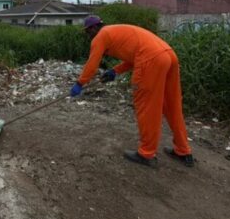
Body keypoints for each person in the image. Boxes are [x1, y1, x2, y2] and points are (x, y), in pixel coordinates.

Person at [71, 16, 194, 167]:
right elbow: (136, 55)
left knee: (147, 108)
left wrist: (80, 83)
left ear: (93, 28)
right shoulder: (115, 31)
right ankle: (183, 150)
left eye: (87, 32)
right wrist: (115, 71)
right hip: (169, 55)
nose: (88, 35)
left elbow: (92, 64)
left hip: (152, 59)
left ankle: (146, 154)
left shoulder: (100, 36)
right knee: (172, 105)